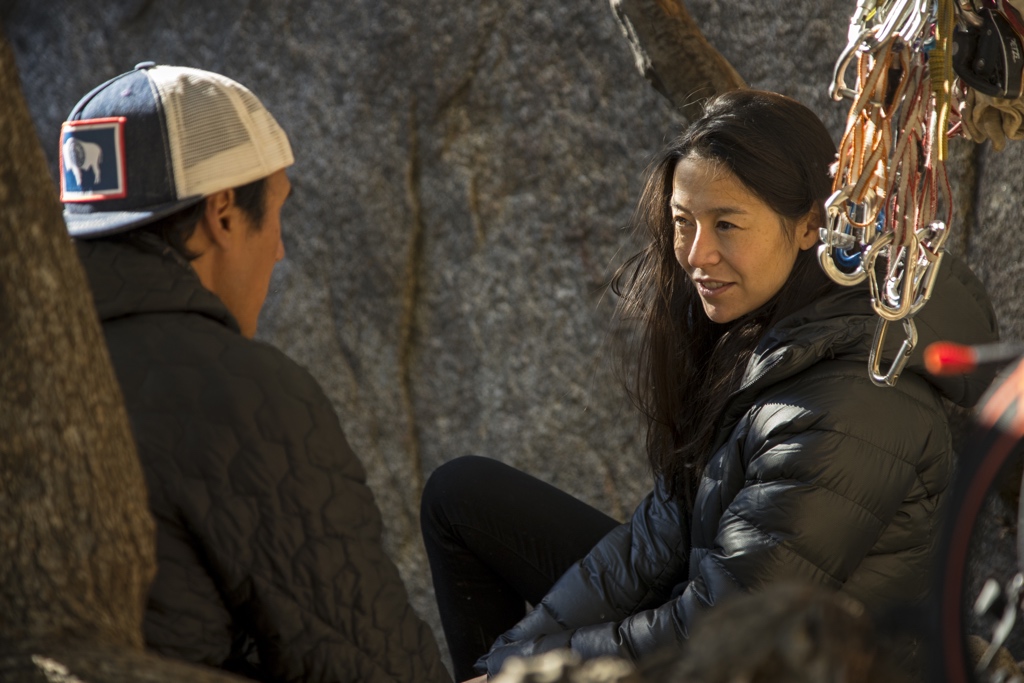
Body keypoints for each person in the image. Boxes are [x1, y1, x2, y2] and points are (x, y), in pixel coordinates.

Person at [420, 89, 999, 680]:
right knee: (461, 495)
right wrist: (510, 659)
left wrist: (523, 672)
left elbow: (725, 625)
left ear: (809, 226)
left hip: (795, 664)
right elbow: (651, 543)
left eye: (726, 224)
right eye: (682, 223)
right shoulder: (768, 332)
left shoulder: (852, 399)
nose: (697, 255)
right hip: (719, 604)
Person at [60, 62, 451, 683]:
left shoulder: (34, 370)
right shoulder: (240, 398)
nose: (279, 248)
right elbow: (372, 665)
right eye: (274, 211)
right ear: (222, 214)